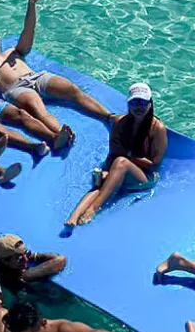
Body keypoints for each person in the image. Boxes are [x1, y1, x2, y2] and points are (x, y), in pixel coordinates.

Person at [0, 0, 114, 146]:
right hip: (15, 88)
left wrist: (31, 5)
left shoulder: (13, 51)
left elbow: (28, 30)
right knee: (36, 108)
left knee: (72, 90)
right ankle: (60, 134)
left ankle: (109, 116)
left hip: (36, 77)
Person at [65, 82, 167, 227]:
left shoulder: (157, 128)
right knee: (101, 186)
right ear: (128, 104)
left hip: (145, 176)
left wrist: (127, 157)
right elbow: (113, 152)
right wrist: (107, 170)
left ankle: (94, 209)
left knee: (121, 163)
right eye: (134, 102)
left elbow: (155, 164)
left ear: (150, 104)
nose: (138, 106)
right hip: (120, 167)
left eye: (143, 102)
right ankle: (73, 218)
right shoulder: (120, 122)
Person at [0, 234, 67, 293]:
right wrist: (35, 256)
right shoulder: (23, 276)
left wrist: (24, 255)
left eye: (27, 253)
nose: (26, 259)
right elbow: (61, 260)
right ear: (6, 261)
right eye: (20, 259)